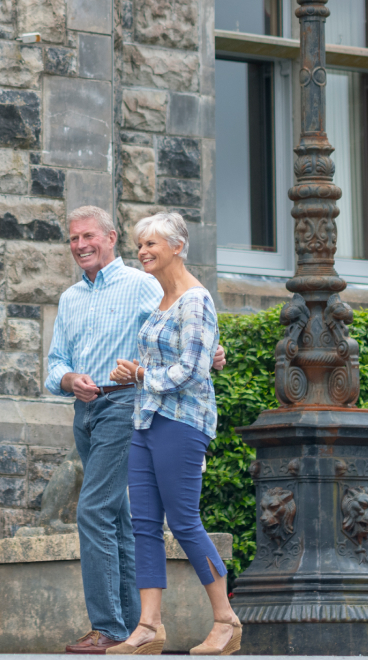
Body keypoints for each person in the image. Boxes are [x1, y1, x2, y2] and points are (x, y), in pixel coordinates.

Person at [46, 206, 226, 655]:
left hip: (136, 405)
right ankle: (141, 626)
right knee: (134, 521)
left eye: (88, 236)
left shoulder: (148, 285)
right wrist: (69, 380)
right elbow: (55, 365)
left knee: (105, 510)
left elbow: (191, 345)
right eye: (73, 238)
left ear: (109, 238)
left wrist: (210, 354)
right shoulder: (71, 298)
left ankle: (115, 626)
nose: (80, 245)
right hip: (102, 410)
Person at [104, 212, 240, 656]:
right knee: (143, 524)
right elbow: (194, 358)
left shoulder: (195, 300)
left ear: (177, 247)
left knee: (183, 521)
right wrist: (135, 375)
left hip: (182, 422)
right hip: (146, 420)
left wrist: (141, 373)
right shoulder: (162, 300)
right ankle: (149, 627)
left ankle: (225, 620)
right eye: (139, 243)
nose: (142, 250)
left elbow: (191, 370)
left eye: (151, 243)